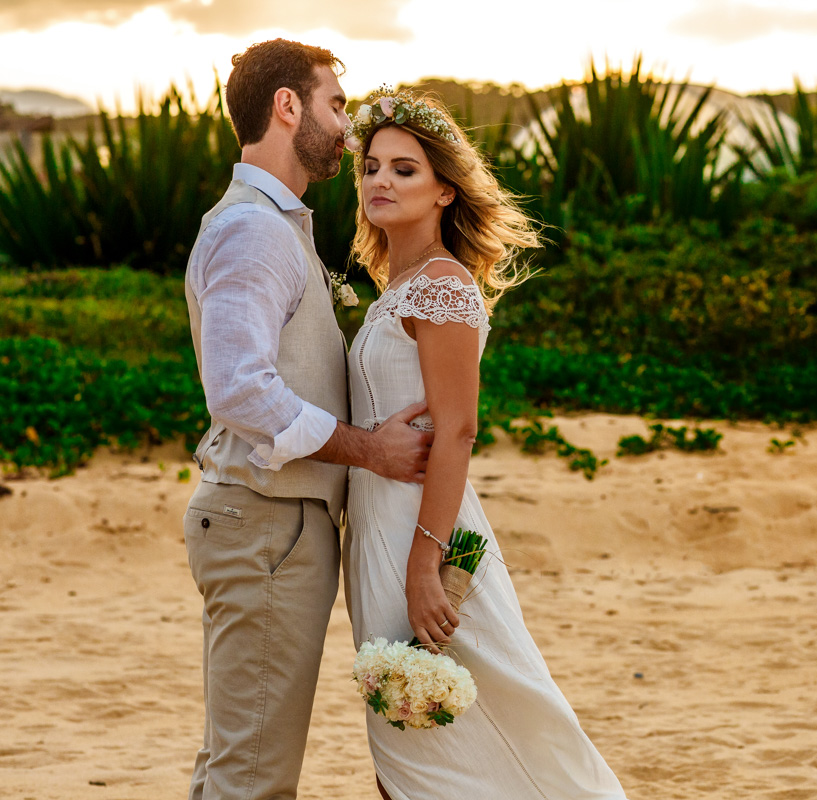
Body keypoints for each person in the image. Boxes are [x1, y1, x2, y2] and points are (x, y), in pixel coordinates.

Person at [341, 88, 628, 799]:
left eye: (405, 170)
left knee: (464, 735)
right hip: (375, 531)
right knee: (405, 734)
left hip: (426, 536)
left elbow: (458, 428)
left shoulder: (442, 286)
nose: (381, 180)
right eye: (373, 166)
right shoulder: (395, 284)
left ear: (444, 190)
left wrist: (422, 561)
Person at [182, 40, 431, 800]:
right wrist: (370, 451)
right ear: (287, 107)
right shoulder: (253, 230)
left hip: (274, 526)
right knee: (253, 777)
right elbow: (240, 390)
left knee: (239, 762)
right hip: (266, 523)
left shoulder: (275, 224)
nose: (347, 126)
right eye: (335, 104)